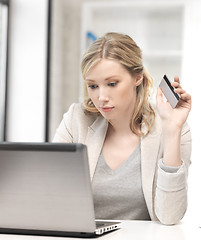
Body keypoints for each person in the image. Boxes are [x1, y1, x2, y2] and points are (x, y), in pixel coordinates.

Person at [53, 32, 191, 225]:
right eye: (93, 86)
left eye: (112, 84)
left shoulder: (171, 126)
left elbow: (170, 216)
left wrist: (173, 129)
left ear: (137, 78)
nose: (101, 97)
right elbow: (52, 196)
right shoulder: (76, 119)